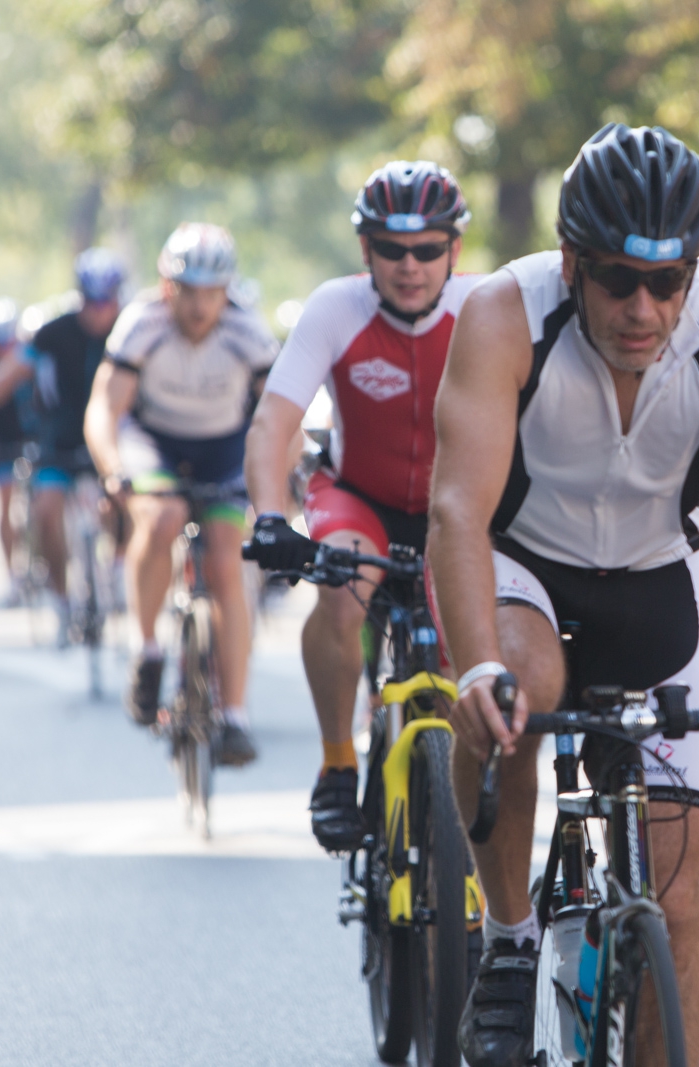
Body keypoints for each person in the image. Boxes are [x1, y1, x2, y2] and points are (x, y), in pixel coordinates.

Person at [424, 123, 699, 1067]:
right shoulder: (503, 314)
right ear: (572, 261)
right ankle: (508, 935)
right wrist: (479, 667)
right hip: (523, 564)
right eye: (620, 279)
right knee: (514, 688)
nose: (646, 307)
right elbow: (456, 511)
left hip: (655, 577)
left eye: (670, 280)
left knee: (676, 891)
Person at [242, 160, 482, 851]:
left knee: (464, 653)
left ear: (453, 251)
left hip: (453, 507)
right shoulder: (334, 308)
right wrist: (267, 516)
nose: (410, 265)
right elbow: (274, 422)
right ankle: (337, 763)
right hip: (359, 496)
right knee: (344, 594)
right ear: (365, 251)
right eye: (391, 249)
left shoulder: (484, 310)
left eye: (428, 248)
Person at [85, 224, 277, 765]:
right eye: (187, 290)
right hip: (155, 442)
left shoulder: (247, 330)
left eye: (211, 291)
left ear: (228, 290)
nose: (198, 305)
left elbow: (276, 415)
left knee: (225, 555)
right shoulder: (141, 324)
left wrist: (275, 484)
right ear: (166, 287)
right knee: (163, 515)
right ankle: (146, 650)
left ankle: (234, 716)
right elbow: (105, 408)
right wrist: (114, 469)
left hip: (223, 444)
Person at [0, 249, 126, 627]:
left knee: (126, 497)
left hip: (113, 439)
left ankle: (117, 567)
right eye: (92, 301)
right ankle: (62, 598)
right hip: (59, 441)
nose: (99, 311)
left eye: (107, 301)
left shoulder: (129, 331)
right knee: (46, 512)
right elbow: (7, 376)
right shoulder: (53, 333)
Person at [0, 299, 31, 600]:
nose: (5, 348)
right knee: (5, 501)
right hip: (2, 441)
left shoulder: (30, 360)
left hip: (34, 440)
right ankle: (13, 574)